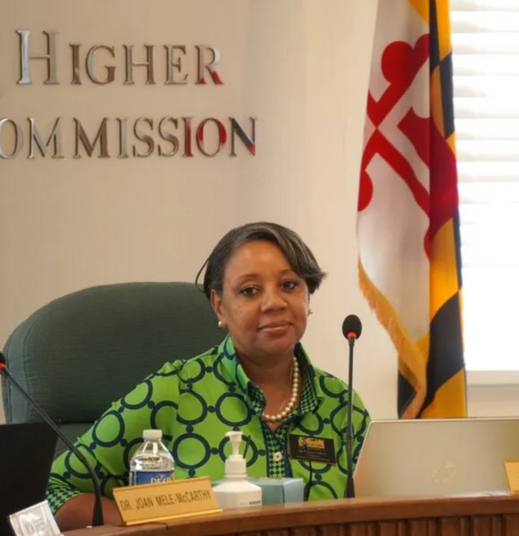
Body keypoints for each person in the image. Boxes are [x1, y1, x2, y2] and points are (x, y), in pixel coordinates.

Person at [47, 222, 370, 529]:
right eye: (249, 290)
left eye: (288, 285)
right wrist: (143, 524)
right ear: (219, 306)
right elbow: (52, 489)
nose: (273, 303)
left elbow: (385, 508)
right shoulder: (174, 391)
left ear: (307, 296)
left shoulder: (342, 406)